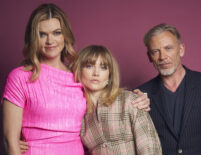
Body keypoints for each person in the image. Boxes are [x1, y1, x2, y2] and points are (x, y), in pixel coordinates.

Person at [2, 3, 150, 155]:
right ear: (33, 38)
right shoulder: (20, 77)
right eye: (42, 34)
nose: (50, 41)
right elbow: (10, 141)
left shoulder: (78, 76)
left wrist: (136, 101)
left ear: (65, 35)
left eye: (57, 32)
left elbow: (107, 99)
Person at [137, 23, 201, 155]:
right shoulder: (141, 95)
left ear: (181, 50)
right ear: (149, 56)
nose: (162, 57)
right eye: (155, 51)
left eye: (168, 48)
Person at [74, 45, 162, 155]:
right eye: (89, 66)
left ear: (109, 75)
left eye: (103, 67)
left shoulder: (129, 100)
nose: (96, 73)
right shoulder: (79, 114)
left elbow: (149, 147)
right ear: (79, 70)